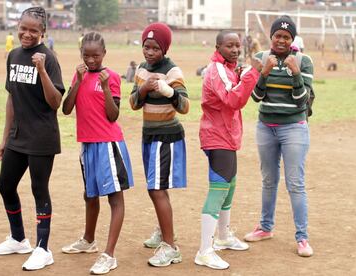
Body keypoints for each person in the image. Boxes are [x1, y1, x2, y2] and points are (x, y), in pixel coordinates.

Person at [0, 7, 65, 271]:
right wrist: (5, 137)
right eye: (24, 28)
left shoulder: (50, 58)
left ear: (43, 32)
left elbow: (56, 102)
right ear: (17, 26)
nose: (27, 34)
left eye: (34, 30)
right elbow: (11, 97)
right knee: (5, 185)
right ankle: (19, 238)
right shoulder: (13, 55)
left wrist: (43, 70)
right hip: (18, 136)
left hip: (42, 137)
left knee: (38, 190)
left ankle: (43, 249)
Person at [61, 31, 134, 275]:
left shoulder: (110, 77)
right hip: (88, 144)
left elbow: (113, 115)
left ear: (104, 54)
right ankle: (88, 240)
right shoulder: (79, 74)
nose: (91, 60)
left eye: (95, 55)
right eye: (86, 55)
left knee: (114, 198)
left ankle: (109, 254)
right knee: (89, 195)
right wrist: (79, 81)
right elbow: (67, 109)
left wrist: (103, 87)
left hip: (108, 144)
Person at [244, 16, 314, 258]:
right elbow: (255, 97)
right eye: (277, 36)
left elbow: (301, 100)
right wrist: (264, 73)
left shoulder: (303, 61)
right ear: (271, 37)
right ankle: (265, 227)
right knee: (268, 180)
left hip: (294, 127)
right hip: (266, 127)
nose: (281, 40)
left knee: (295, 183)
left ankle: (302, 237)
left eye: (286, 37)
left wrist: (295, 74)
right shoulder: (262, 58)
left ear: (292, 40)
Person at [195, 31, 262, 270]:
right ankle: (205, 250)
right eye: (229, 46)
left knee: (229, 186)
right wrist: (253, 73)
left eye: (237, 46)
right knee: (218, 190)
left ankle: (222, 237)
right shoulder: (217, 69)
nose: (235, 50)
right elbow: (233, 100)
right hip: (217, 137)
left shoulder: (228, 68)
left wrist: (243, 74)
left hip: (227, 136)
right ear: (218, 47)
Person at [129, 22, 189, 267]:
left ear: (164, 48)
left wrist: (168, 91)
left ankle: (170, 246)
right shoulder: (142, 69)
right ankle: (164, 231)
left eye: (155, 48)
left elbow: (185, 107)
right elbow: (133, 103)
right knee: (156, 187)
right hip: (149, 136)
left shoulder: (173, 71)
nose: (149, 52)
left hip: (166, 137)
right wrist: (143, 88)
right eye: (146, 47)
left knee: (156, 189)